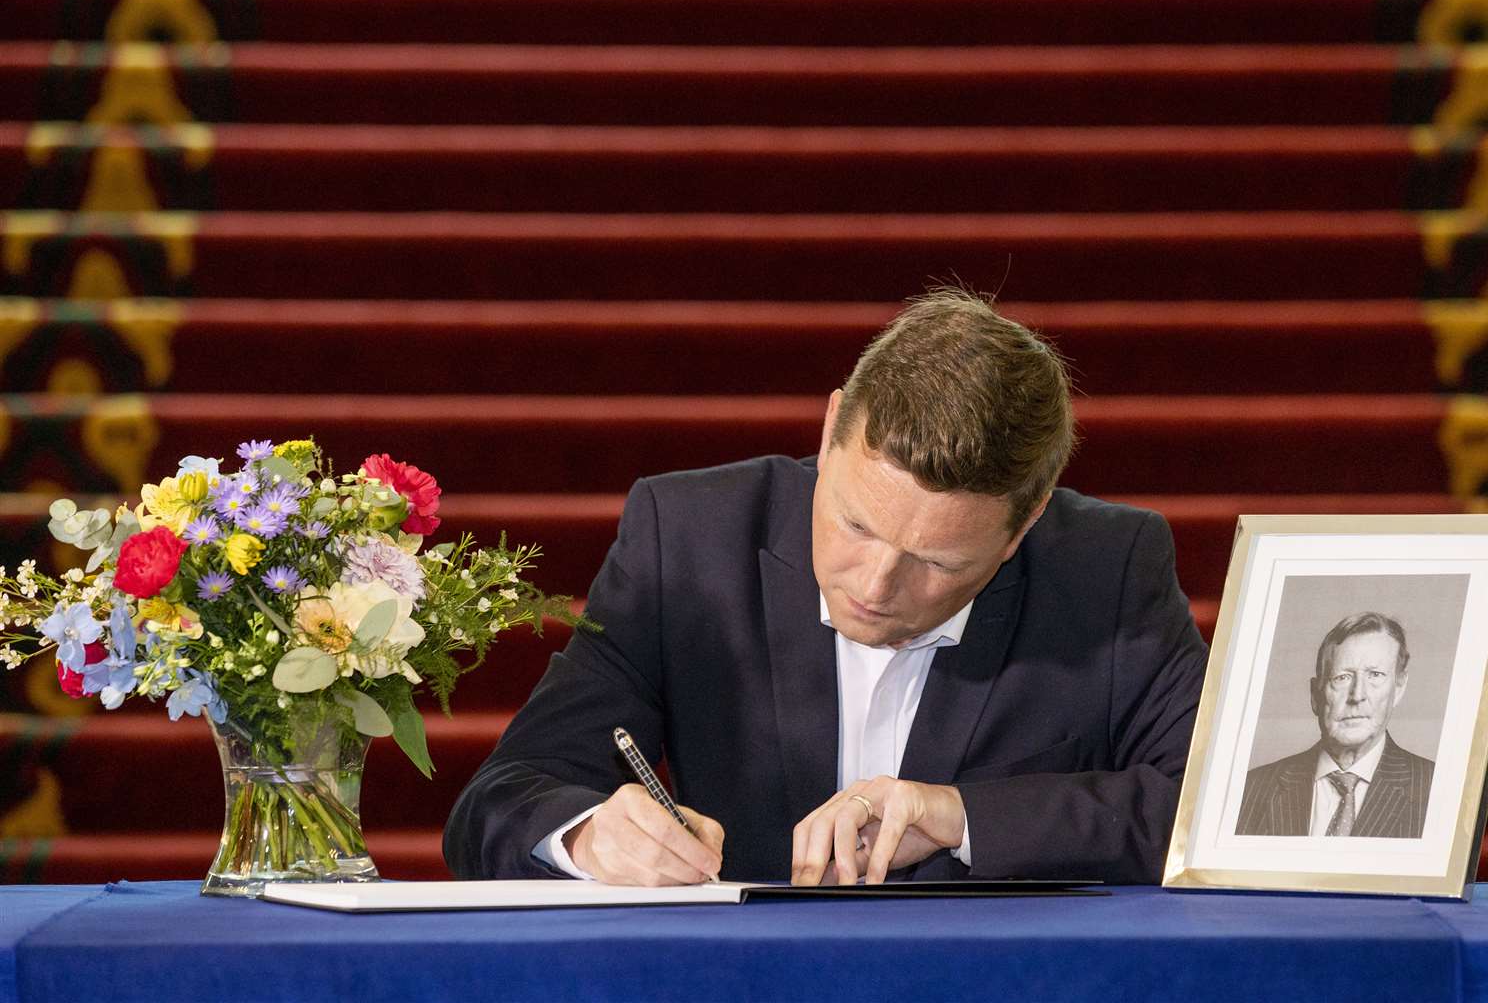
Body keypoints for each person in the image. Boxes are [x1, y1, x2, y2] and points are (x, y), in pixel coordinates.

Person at [444, 289, 1208, 886]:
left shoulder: (1107, 567)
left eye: (937, 564)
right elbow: (500, 801)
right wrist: (586, 835)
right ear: (831, 426)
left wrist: (963, 817)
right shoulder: (691, 540)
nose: (876, 586)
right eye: (856, 526)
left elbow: (1210, 814)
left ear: (1026, 522)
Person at [1235, 612, 1434, 839]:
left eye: (1375, 675)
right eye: (1342, 677)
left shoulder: (1437, 790)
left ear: (1398, 688)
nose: (1357, 695)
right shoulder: (1250, 790)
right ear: (1315, 695)